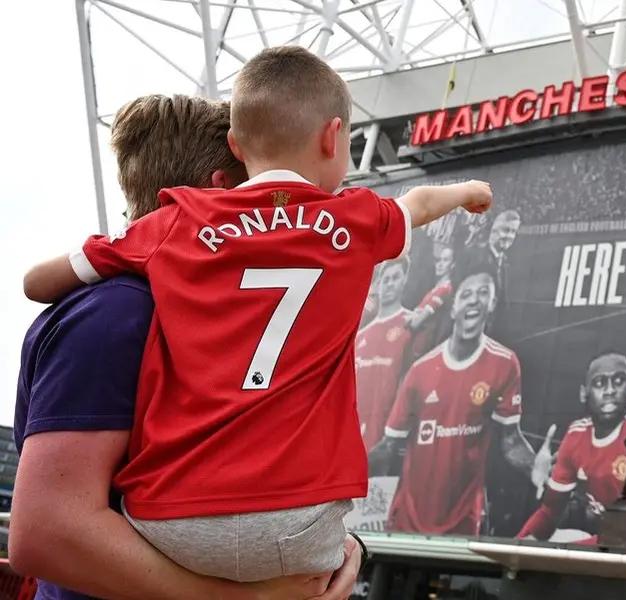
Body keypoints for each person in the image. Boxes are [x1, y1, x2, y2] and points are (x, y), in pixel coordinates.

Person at [22, 47, 490, 582]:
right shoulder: (354, 219)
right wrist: (469, 191)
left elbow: (37, 281)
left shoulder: (174, 225)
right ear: (334, 137)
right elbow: (420, 202)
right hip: (300, 524)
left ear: (237, 147)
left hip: (171, 521)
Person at [11, 94, 359, 599]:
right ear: (221, 188)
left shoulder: (196, 309)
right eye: (261, 185)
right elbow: (48, 531)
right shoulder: (118, 312)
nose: (284, 209)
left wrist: (335, 547)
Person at [373, 262, 545, 534]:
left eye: (483, 293)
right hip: (408, 522)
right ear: (453, 309)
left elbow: (511, 441)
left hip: (463, 523)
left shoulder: (504, 364)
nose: (474, 300)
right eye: (466, 294)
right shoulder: (420, 370)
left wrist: (537, 468)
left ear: (492, 304)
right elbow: (389, 445)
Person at [517, 351, 626, 544]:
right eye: (599, 383)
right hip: (611, 548)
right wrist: (515, 547)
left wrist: (563, 551)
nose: (610, 390)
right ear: (583, 393)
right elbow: (549, 513)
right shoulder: (576, 434)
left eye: (618, 381)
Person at [355, 256, 414, 448]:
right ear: (378, 285)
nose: (389, 284)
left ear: (404, 280)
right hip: (356, 435)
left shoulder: (411, 324)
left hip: (388, 438)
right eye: (386, 279)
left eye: (395, 278)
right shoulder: (360, 336)